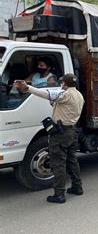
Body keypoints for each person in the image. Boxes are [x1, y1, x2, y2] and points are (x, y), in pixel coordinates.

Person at [15, 74, 85, 204]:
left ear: (64, 83)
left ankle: (59, 195)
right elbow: (63, 107)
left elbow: (46, 94)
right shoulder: (79, 95)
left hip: (60, 134)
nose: (61, 84)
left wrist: (28, 87)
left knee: (58, 163)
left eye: (62, 82)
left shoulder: (65, 95)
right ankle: (77, 187)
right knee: (72, 160)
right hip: (71, 131)